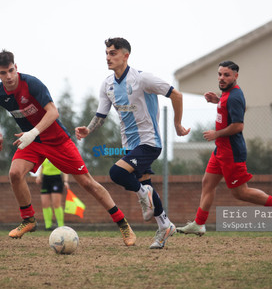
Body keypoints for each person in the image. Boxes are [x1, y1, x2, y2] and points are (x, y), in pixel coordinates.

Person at [0, 50, 136, 246]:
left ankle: (123, 224)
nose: (9, 76)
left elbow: (53, 112)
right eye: (3, 73)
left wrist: (32, 133)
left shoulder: (32, 84)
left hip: (57, 141)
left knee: (88, 184)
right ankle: (29, 220)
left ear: (16, 68)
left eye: (11, 71)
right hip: (33, 142)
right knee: (14, 173)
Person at [75, 38, 190, 249]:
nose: (108, 57)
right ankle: (165, 225)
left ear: (126, 56)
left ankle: (143, 195)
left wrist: (177, 124)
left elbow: (176, 95)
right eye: (107, 53)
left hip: (149, 142)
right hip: (130, 145)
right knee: (146, 185)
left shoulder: (143, 79)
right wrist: (89, 129)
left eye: (113, 53)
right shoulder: (107, 84)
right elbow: (101, 114)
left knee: (117, 173)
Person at [177, 61, 272, 236]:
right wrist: (217, 100)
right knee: (207, 183)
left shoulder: (235, 96)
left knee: (241, 193)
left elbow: (238, 126)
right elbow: (228, 107)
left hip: (231, 152)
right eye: (220, 74)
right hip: (220, 150)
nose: (222, 78)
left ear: (235, 76)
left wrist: (217, 134)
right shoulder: (227, 94)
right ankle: (199, 223)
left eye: (226, 75)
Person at [36, 158, 68, 230]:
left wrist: (65, 181)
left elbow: (65, 169)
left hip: (56, 179)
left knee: (56, 204)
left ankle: (60, 225)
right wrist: (39, 176)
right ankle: (48, 226)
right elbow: (42, 166)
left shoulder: (58, 154)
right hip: (46, 180)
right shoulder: (44, 154)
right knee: (45, 204)